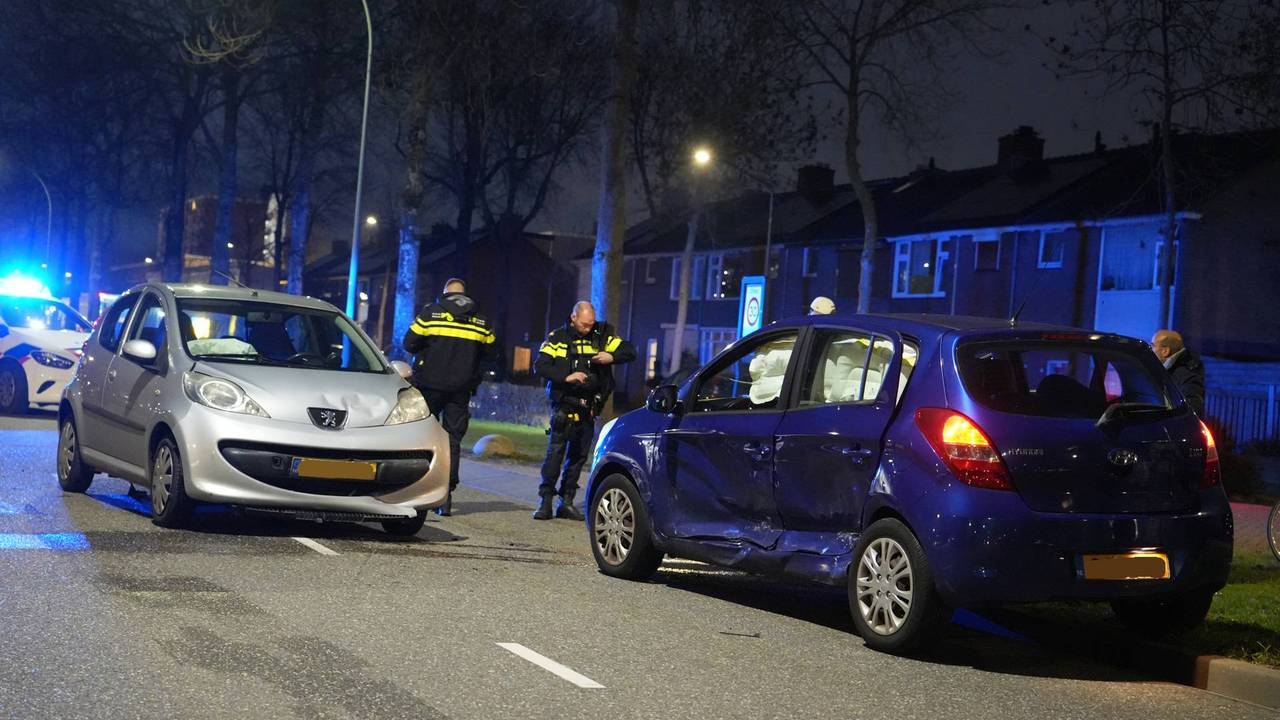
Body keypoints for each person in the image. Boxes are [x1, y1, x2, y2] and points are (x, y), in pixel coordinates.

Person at [402, 278, 498, 516]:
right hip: (461, 389)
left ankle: (417, 490)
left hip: (429, 387)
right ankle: (445, 496)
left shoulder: (430, 314)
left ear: (445, 294)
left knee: (423, 437)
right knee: (452, 441)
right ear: (464, 295)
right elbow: (493, 351)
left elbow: (409, 343)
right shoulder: (481, 321)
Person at [533, 301, 635, 521]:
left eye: (591, 324)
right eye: (584, 324)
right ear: (573, 318)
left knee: (578, 457)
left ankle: (566, 502)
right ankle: (545, 502)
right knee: (555, 455)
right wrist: (565, 377)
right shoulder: (558, 338)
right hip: (564, 405)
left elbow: (630, 351)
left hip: (588, 407)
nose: (588, 328)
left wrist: (611, 357)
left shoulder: (602, 336)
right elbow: (540, 366)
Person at [1151, 329, 1205, 416]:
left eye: (1152, 346)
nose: (1150, 350)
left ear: (1165, 351)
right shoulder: (1168, 370)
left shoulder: (1187, 375)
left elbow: (1193, 410)